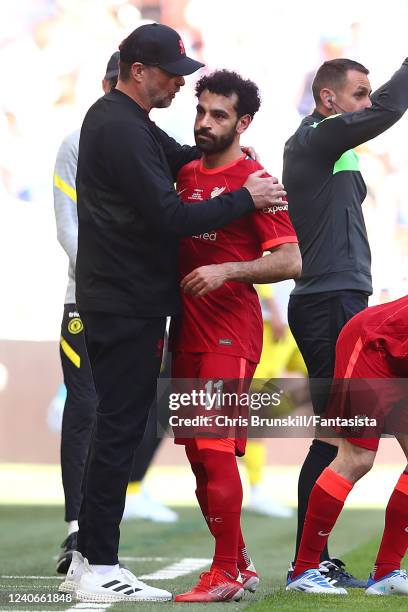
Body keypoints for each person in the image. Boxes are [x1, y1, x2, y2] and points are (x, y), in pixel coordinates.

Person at [63, 23, 287, 604]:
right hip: (125, 302)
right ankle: (97, 561)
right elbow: (167, 215)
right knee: (123, 430)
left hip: (151, 308)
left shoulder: (130, 123)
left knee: (157, 437)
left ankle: (104, 558)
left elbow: (192, 157)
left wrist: (237, 168)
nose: (177, 88)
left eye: (218, 113)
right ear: (138, 70)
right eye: (171, 75)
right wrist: (245, 196)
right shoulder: (118, 125)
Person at [169, 69, 301, 602]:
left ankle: (224, 571)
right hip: (187, 333)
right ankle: (239, 563)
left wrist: (227, 271)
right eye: (201, 111)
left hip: (230, 333)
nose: (205, 122)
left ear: (243, 123)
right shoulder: (182, 173)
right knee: (198, 455)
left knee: (214, 447)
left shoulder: (260, 181)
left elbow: (290, 260)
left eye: (218, 114)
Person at [283, 56, 408, 589]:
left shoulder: (335, 150)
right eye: (358, 94)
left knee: (344, 438)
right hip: (327, 301)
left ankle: (332, 563)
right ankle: (307, 564)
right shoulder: (313, 138)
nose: (366, 103)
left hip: (345, 298)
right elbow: (385, 112)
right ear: (329, 99)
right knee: (336, 440)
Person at [53, 52, 176, 577]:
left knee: (132, 412)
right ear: (119, 79)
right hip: (90, 299)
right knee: (87, 409)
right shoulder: (81, 139)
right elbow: (68, 227)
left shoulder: (142, 138)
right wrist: (107, 284)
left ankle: (98, 537)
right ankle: (78, 533)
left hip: (130, 299)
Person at [287, 295, 408, 595]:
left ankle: (385, 574)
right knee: (357, 458)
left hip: (398, 357)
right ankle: (303, 570)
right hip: (371, 344)